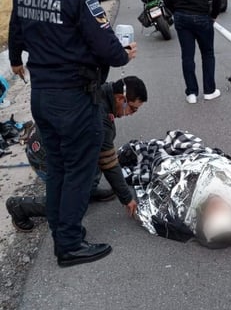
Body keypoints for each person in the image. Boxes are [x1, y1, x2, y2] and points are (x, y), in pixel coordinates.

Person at [8, 0, 138, 267]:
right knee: (79, 171)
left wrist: (16, 60)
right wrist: (125, 54)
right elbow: (109, 50)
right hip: (75, 97)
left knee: (58, 170)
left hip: (42, 96)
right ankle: (69, 244)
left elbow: (16, 34)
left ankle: (60, 232)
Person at [6, 76, 148, 233]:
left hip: (51, 143)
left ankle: (88, 190)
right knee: (69, 208)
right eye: (133, 109)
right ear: (121, 98)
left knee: (93, 152)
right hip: (43, 157)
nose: (132, 113)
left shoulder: (102, 91)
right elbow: (109, 162)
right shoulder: (98, 116)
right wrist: (127, 198)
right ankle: (19, 207)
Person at [118, 130, 231, 249]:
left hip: (181, 168)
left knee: (156, 157)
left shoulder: (189, 216)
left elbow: (158, 204)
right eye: (220, 208)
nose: (217, 203)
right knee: (184, 139)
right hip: (204, 158)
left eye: (214, 210)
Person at [163, 0, 222, 104]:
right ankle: (209, 91)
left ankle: (191, 93)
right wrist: (213, 15)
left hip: (181, 17)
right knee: (207, 54)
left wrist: (176, 12)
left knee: (187, 56)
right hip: (202, 15)